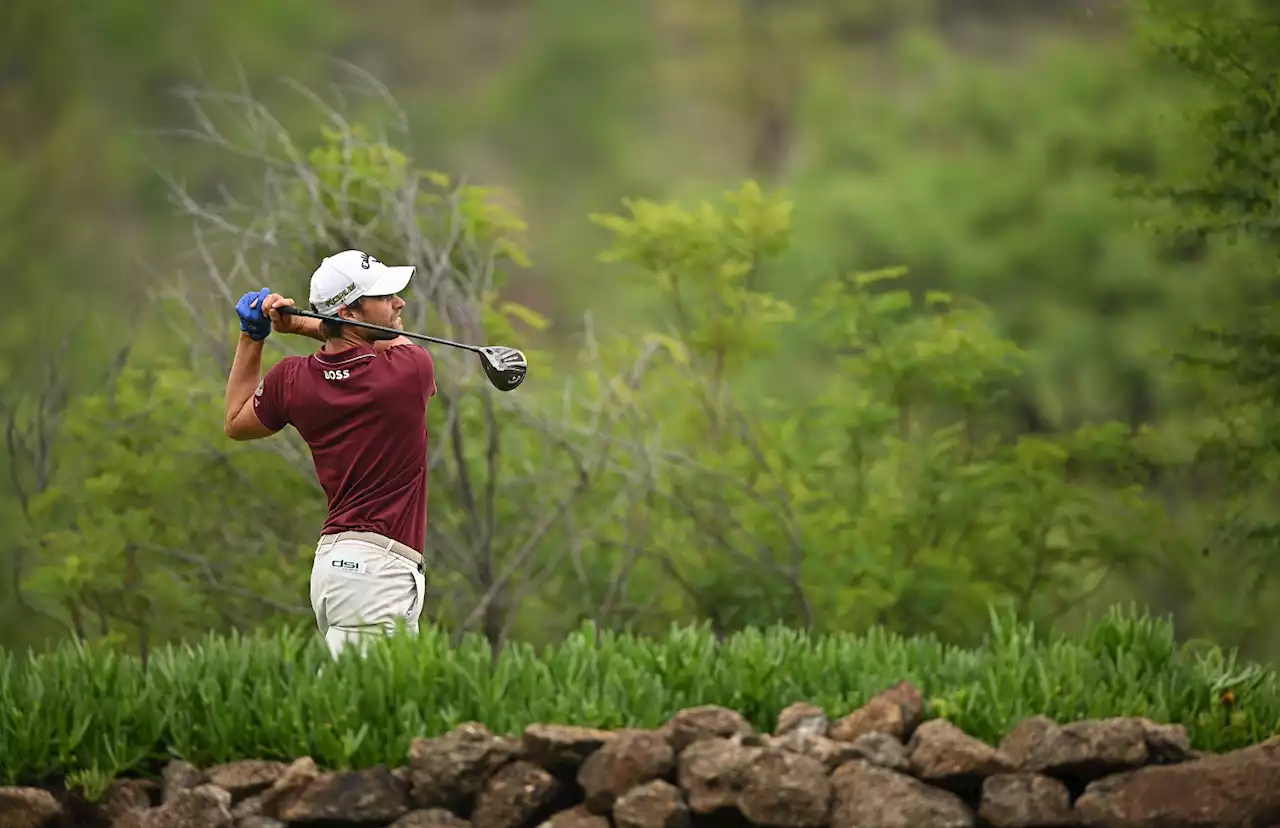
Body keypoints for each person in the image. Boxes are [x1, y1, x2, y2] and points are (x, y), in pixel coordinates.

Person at [222, 249, 437, 659]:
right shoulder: (408, 371)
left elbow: (235, 420)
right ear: (350, 313)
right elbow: (392, 341)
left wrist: (253, 337)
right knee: (356, 711)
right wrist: (301, 324)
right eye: (384, 296)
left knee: (384, 706)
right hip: (375, 572)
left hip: (338, 565)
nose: (399, 303)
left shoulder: (291, 380)